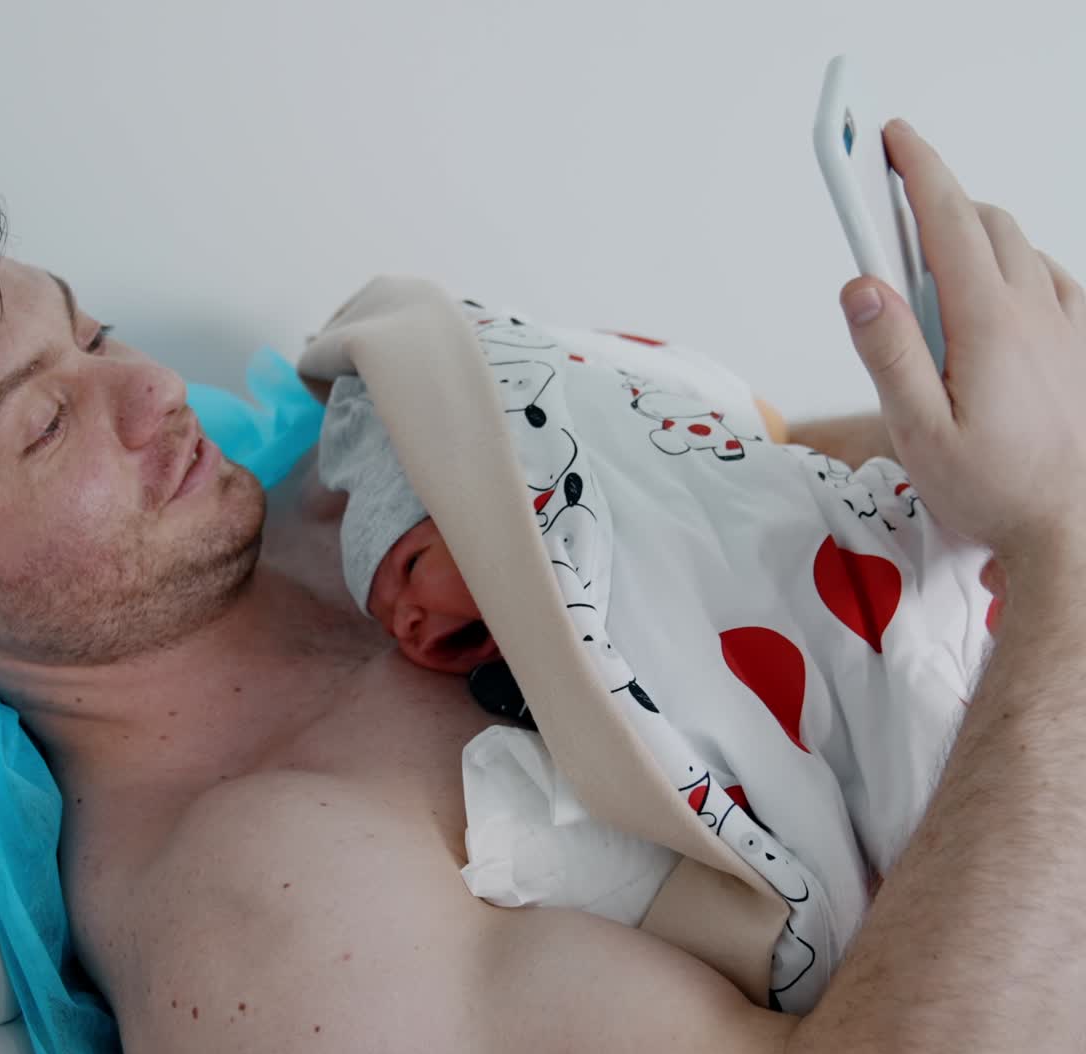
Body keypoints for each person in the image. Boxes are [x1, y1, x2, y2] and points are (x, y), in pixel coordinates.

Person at [0, 117, 1085, 1054]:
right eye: (43, 420)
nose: (149, 391)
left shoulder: (370, 457)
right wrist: (1061, 544)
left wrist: (994, 429)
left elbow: (772, 502)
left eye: (89, 333)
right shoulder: (259, 937)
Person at [313, 308, 1005, 1016]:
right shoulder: (533, 688)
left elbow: (738, 439)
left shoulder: (592, 522)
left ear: (482, 505)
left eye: (411, 565)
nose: (408, 622)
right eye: (390, 618)